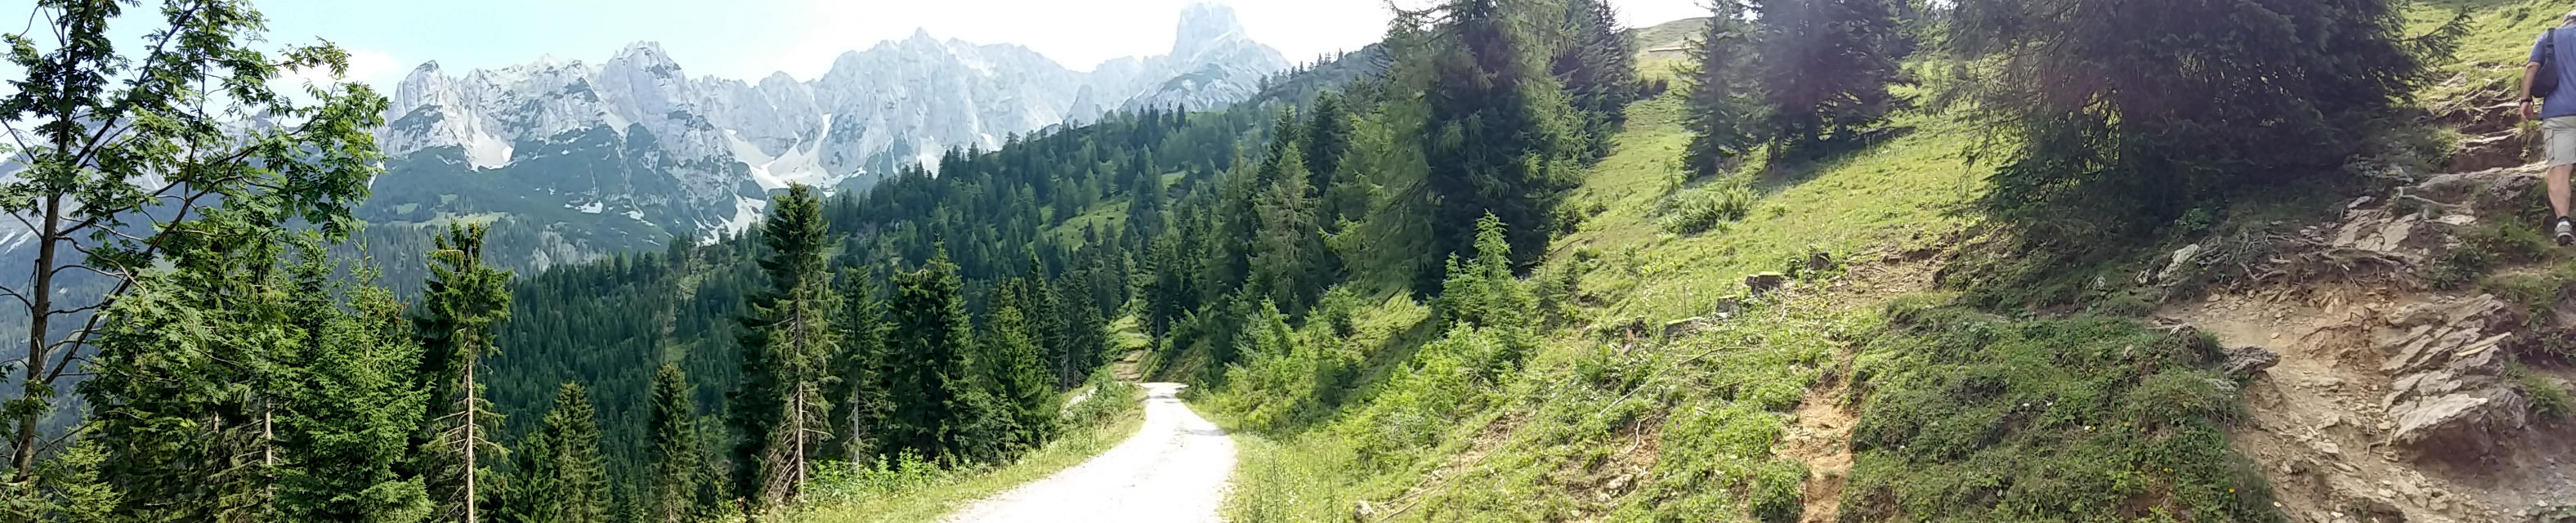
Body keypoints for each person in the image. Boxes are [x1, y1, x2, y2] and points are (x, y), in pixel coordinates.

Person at [2526, 8, 2576, 245]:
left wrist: (2525, 101)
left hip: (2558, 113)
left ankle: (2563, 222)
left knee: (2560, 169)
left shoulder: (2549, 37)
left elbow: (2531, 68)